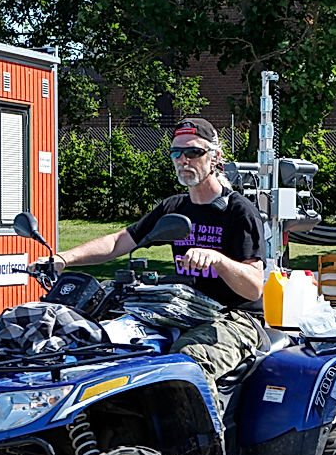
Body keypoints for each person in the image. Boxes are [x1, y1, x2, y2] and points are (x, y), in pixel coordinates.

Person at [43, 117, 265, 413]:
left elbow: (253, 287)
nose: (183, 160)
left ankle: (204, 449)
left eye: (194, 152)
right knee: (106, 342)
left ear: (215, 158)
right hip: (183, 309)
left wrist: (219, 261)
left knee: (187, 361)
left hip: (235, 319)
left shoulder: (239, 211)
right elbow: (121, 241)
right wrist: (62, 259)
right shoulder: (173, 208)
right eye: (176, 153)